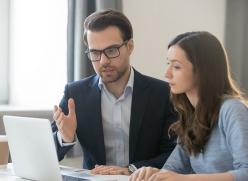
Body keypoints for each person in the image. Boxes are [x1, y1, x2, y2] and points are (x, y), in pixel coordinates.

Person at [52, 9, 176, 175]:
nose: (103, 61)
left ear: (130, 46)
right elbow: (45, 152)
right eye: (95, 52)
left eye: (111, 50)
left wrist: (130, 170)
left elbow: (175, 154)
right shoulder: (75, 94)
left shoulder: (163, 94)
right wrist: (65, 138)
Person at [129, 31, 248, 181]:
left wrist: (185, 179)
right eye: (168, 64)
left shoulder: (232, 110)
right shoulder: (191, 115)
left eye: (177, 67)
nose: (167, 74)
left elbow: (246, 172)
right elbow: (173, 169)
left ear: (202, 70)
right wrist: (153, 173)